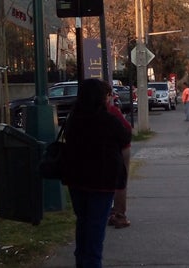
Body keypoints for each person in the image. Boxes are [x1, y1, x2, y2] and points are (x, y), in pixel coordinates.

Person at [61, 79, 131, 267]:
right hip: (101, 182)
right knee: (96, 228)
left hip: (76, 180)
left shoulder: (74, 118)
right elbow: (125, 136)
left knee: (83, 223)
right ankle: (91, 263)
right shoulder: (108, 119)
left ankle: (81, 261)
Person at [107, 93, 132, 229]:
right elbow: (127, 129)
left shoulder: (79, 113)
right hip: (118, 150)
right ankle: (119, 215)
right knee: (120, 182)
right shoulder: (111, 111)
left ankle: (109, 212)